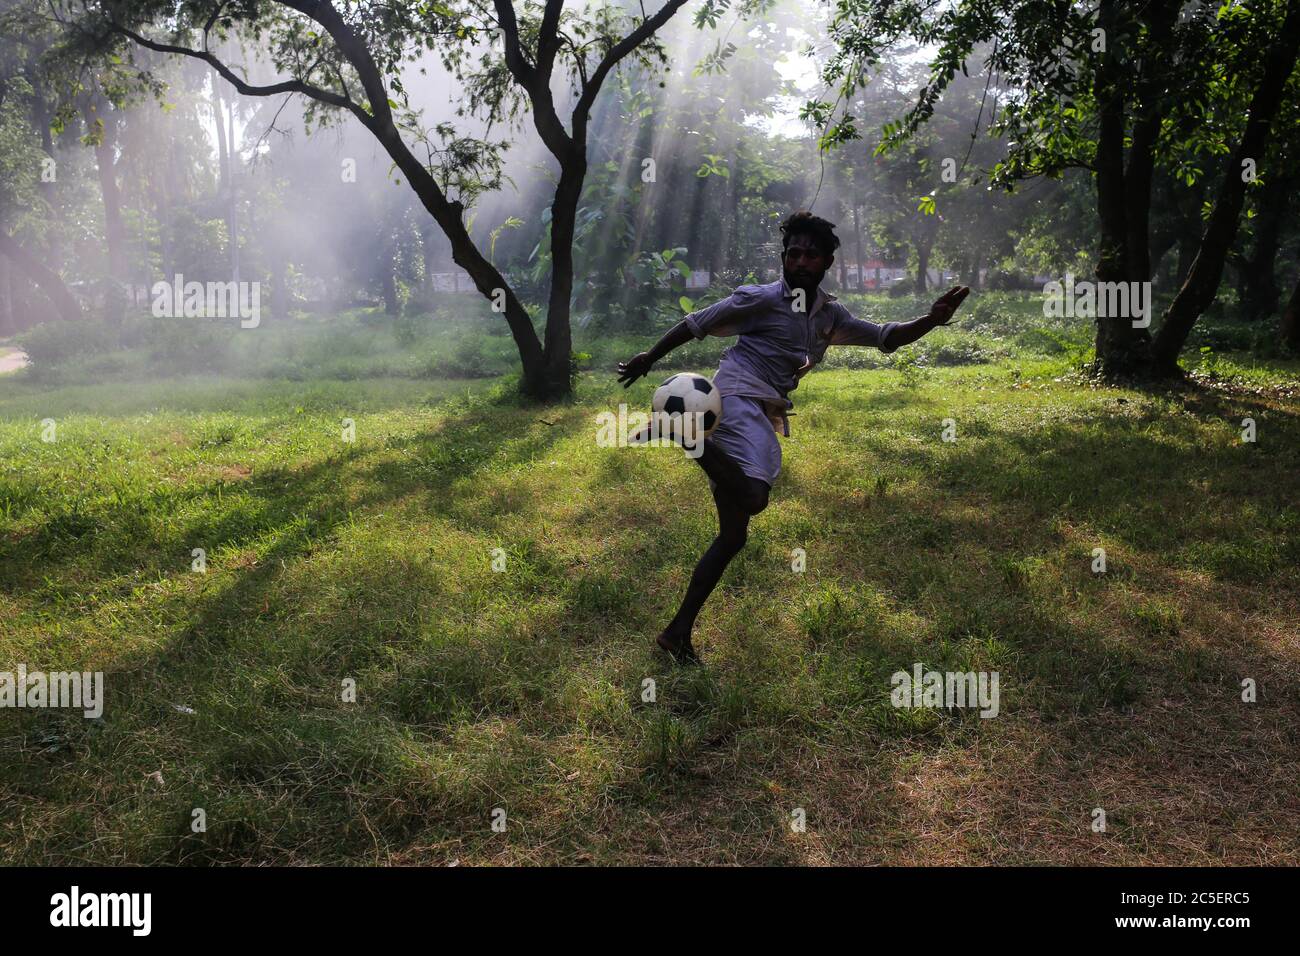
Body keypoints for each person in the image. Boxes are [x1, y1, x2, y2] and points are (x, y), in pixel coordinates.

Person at [617, 210, 970, 664]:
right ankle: (685, 433)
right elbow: (696, 323)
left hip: (757, 405)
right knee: (755, 496)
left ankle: (676, 634)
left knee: (732, 536)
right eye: (793, 254)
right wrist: (650, 355)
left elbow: (887, 337)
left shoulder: (829, 315)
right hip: (738, 395)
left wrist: (931, 319)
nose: (800, 261)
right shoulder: (761, 300)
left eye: (810, 254)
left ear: (826, 263)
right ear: (784, 260)